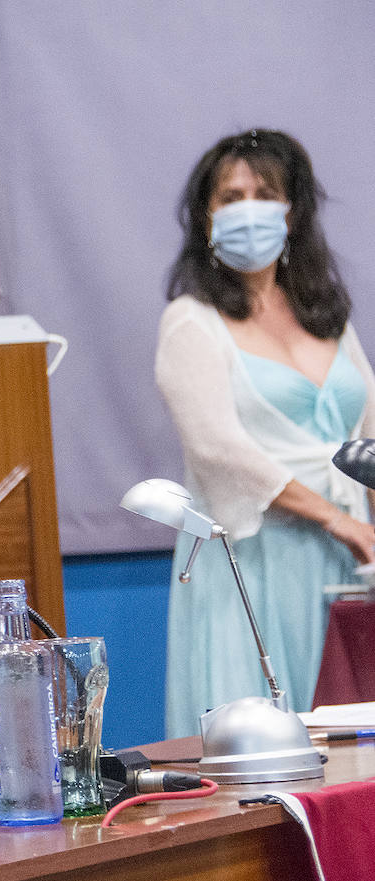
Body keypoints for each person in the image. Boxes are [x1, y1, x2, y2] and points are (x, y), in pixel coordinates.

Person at [156, 129, 375, 737]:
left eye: (264, 192)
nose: (248, 208)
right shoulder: (191, 323)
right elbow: (218, 451)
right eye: (230, 196)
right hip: (255, 565)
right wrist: (339, 521)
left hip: (349, 565)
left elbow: (368, 432)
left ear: (294, 211)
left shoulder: (328, 317)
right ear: (205, 218)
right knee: (269, 760)